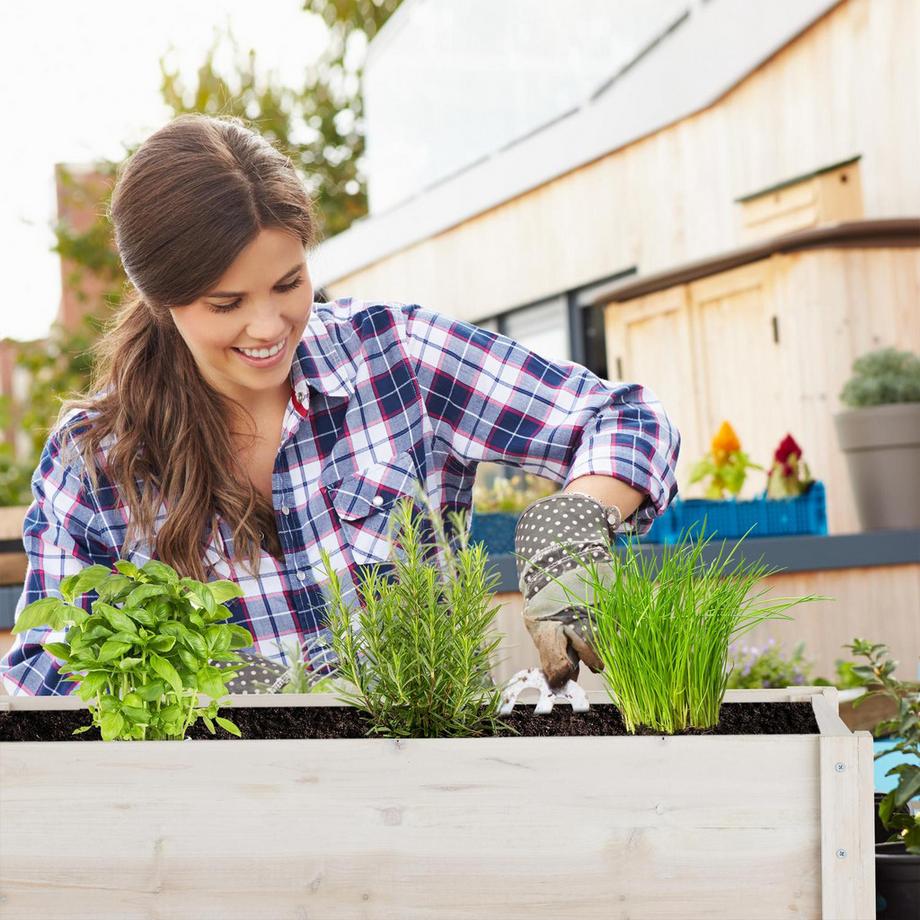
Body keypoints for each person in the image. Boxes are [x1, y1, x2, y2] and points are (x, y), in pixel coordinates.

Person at [0, 113, 680, 697]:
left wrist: (572, 521)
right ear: (161, 299)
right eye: (226, 304)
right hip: (223, 817)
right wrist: (203, 688)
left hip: (430, 785)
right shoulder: (96, 458)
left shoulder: (393, 356)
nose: (268, 328)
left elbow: (624, 418)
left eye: (289, 283)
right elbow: (40, 670)